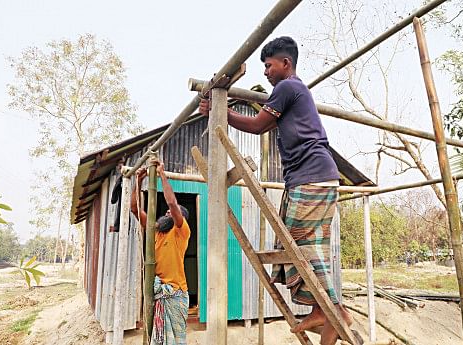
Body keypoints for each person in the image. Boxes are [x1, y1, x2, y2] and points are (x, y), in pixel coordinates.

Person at [199, 36, 352, 345]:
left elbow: (256, 125)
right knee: (309, 246)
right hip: (317, 177)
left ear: (286, 64)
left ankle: (331, 309)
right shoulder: (291, 94)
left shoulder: (288, 87)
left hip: (311, 177)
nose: (266, 72)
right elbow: (264, 124)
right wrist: (221, 111)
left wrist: (219, 111)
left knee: (293, 243)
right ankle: (331, 314)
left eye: (269, 66)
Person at [130, 161, 191, 345]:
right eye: (166, 212)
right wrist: (138, 181)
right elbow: (134, 209)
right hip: (159, 293)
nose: (167, 212)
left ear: (179, 218)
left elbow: (172, 203)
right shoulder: (155, 230)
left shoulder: (181, 231)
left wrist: (162, 174)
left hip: (175, 294)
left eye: (171, 213)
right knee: (158, 339)